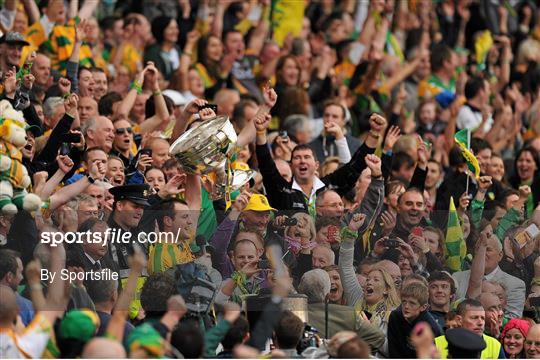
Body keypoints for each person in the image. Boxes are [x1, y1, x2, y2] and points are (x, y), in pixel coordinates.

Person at [434, 299, 504, 359]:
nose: (480, 323)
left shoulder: (495, 346)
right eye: (474, 318)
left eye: (482, 318)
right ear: (459, 320)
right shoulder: (436, 344)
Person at [387, 282, 442, 358]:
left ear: (423, 307)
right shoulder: (394, 316)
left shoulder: (433, 327)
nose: (406, 306)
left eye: (412, 303)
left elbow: (443, 355)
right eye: (404, 302)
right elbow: (393, 349)